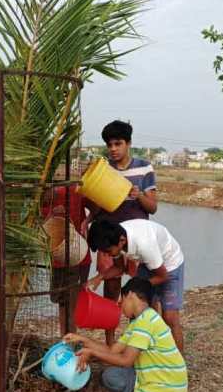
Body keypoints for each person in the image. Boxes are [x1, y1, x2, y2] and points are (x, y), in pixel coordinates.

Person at [63, 278, 209, 392]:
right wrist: (83, 340)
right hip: (162, 378)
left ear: (131, 295)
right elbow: (113, 351)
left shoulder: (144, 324)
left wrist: (91, 352)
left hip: (166, 386)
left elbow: (126, 361)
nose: (120, 305)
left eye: (122, 300)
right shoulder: (141, 321)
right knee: (110, 375)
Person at [88, 120, 158, 345]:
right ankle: (111, 343)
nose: (113, 149)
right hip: (109, 240)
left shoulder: (144, 168)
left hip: (137, 241)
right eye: (109, 145)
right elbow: (97, 208)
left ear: (128, 143)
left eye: (118, 143)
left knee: (141, 291)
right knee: (110, 291)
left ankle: (143, 339)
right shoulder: (103, 170)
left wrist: (137, 194)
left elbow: (152, 207)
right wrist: (92, 188)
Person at [86, 218, 186, 354]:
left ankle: (178, 363)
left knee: (170, 316)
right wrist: (98, 278)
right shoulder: (116, 237)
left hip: (170, 264)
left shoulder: (144, 244)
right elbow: (119, 268)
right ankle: (144, 355)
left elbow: (163, 276)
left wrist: (136, 288)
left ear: (121, 241)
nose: (106, 254)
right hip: (148, 262)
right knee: (137, 312)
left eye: (108, 250)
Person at [42, 184, 91, 335]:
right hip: (57, 257)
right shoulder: (42, 198)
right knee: (62, 302)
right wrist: (51, 216)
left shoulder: (75, 189)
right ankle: (66, 338)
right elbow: (40, 226)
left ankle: (71, 340)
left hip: (78, 254)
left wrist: (86, 221)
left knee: (72, 302)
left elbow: (98, 206)